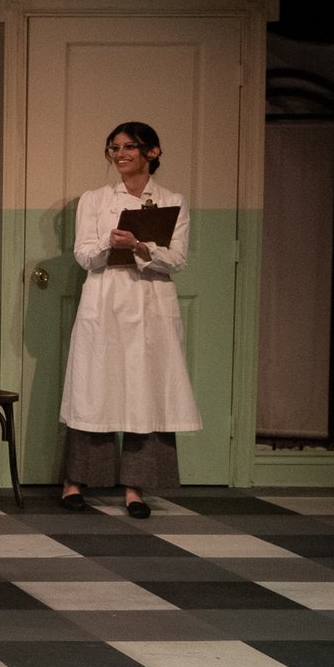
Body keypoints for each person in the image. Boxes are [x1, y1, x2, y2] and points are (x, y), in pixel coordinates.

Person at [58, 120, 200, 519]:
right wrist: (109, 242)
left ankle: (135, 488)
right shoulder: (96, 199)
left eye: (128, 147)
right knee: (94, 388)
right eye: (113, 148)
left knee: (143, 390)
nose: (119, 155)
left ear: (152, 153)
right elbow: (84, 255)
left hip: (150, 303)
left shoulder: (172, 200)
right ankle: (74, 482)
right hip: (105, 301)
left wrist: (140, 245)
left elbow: (178, 259)